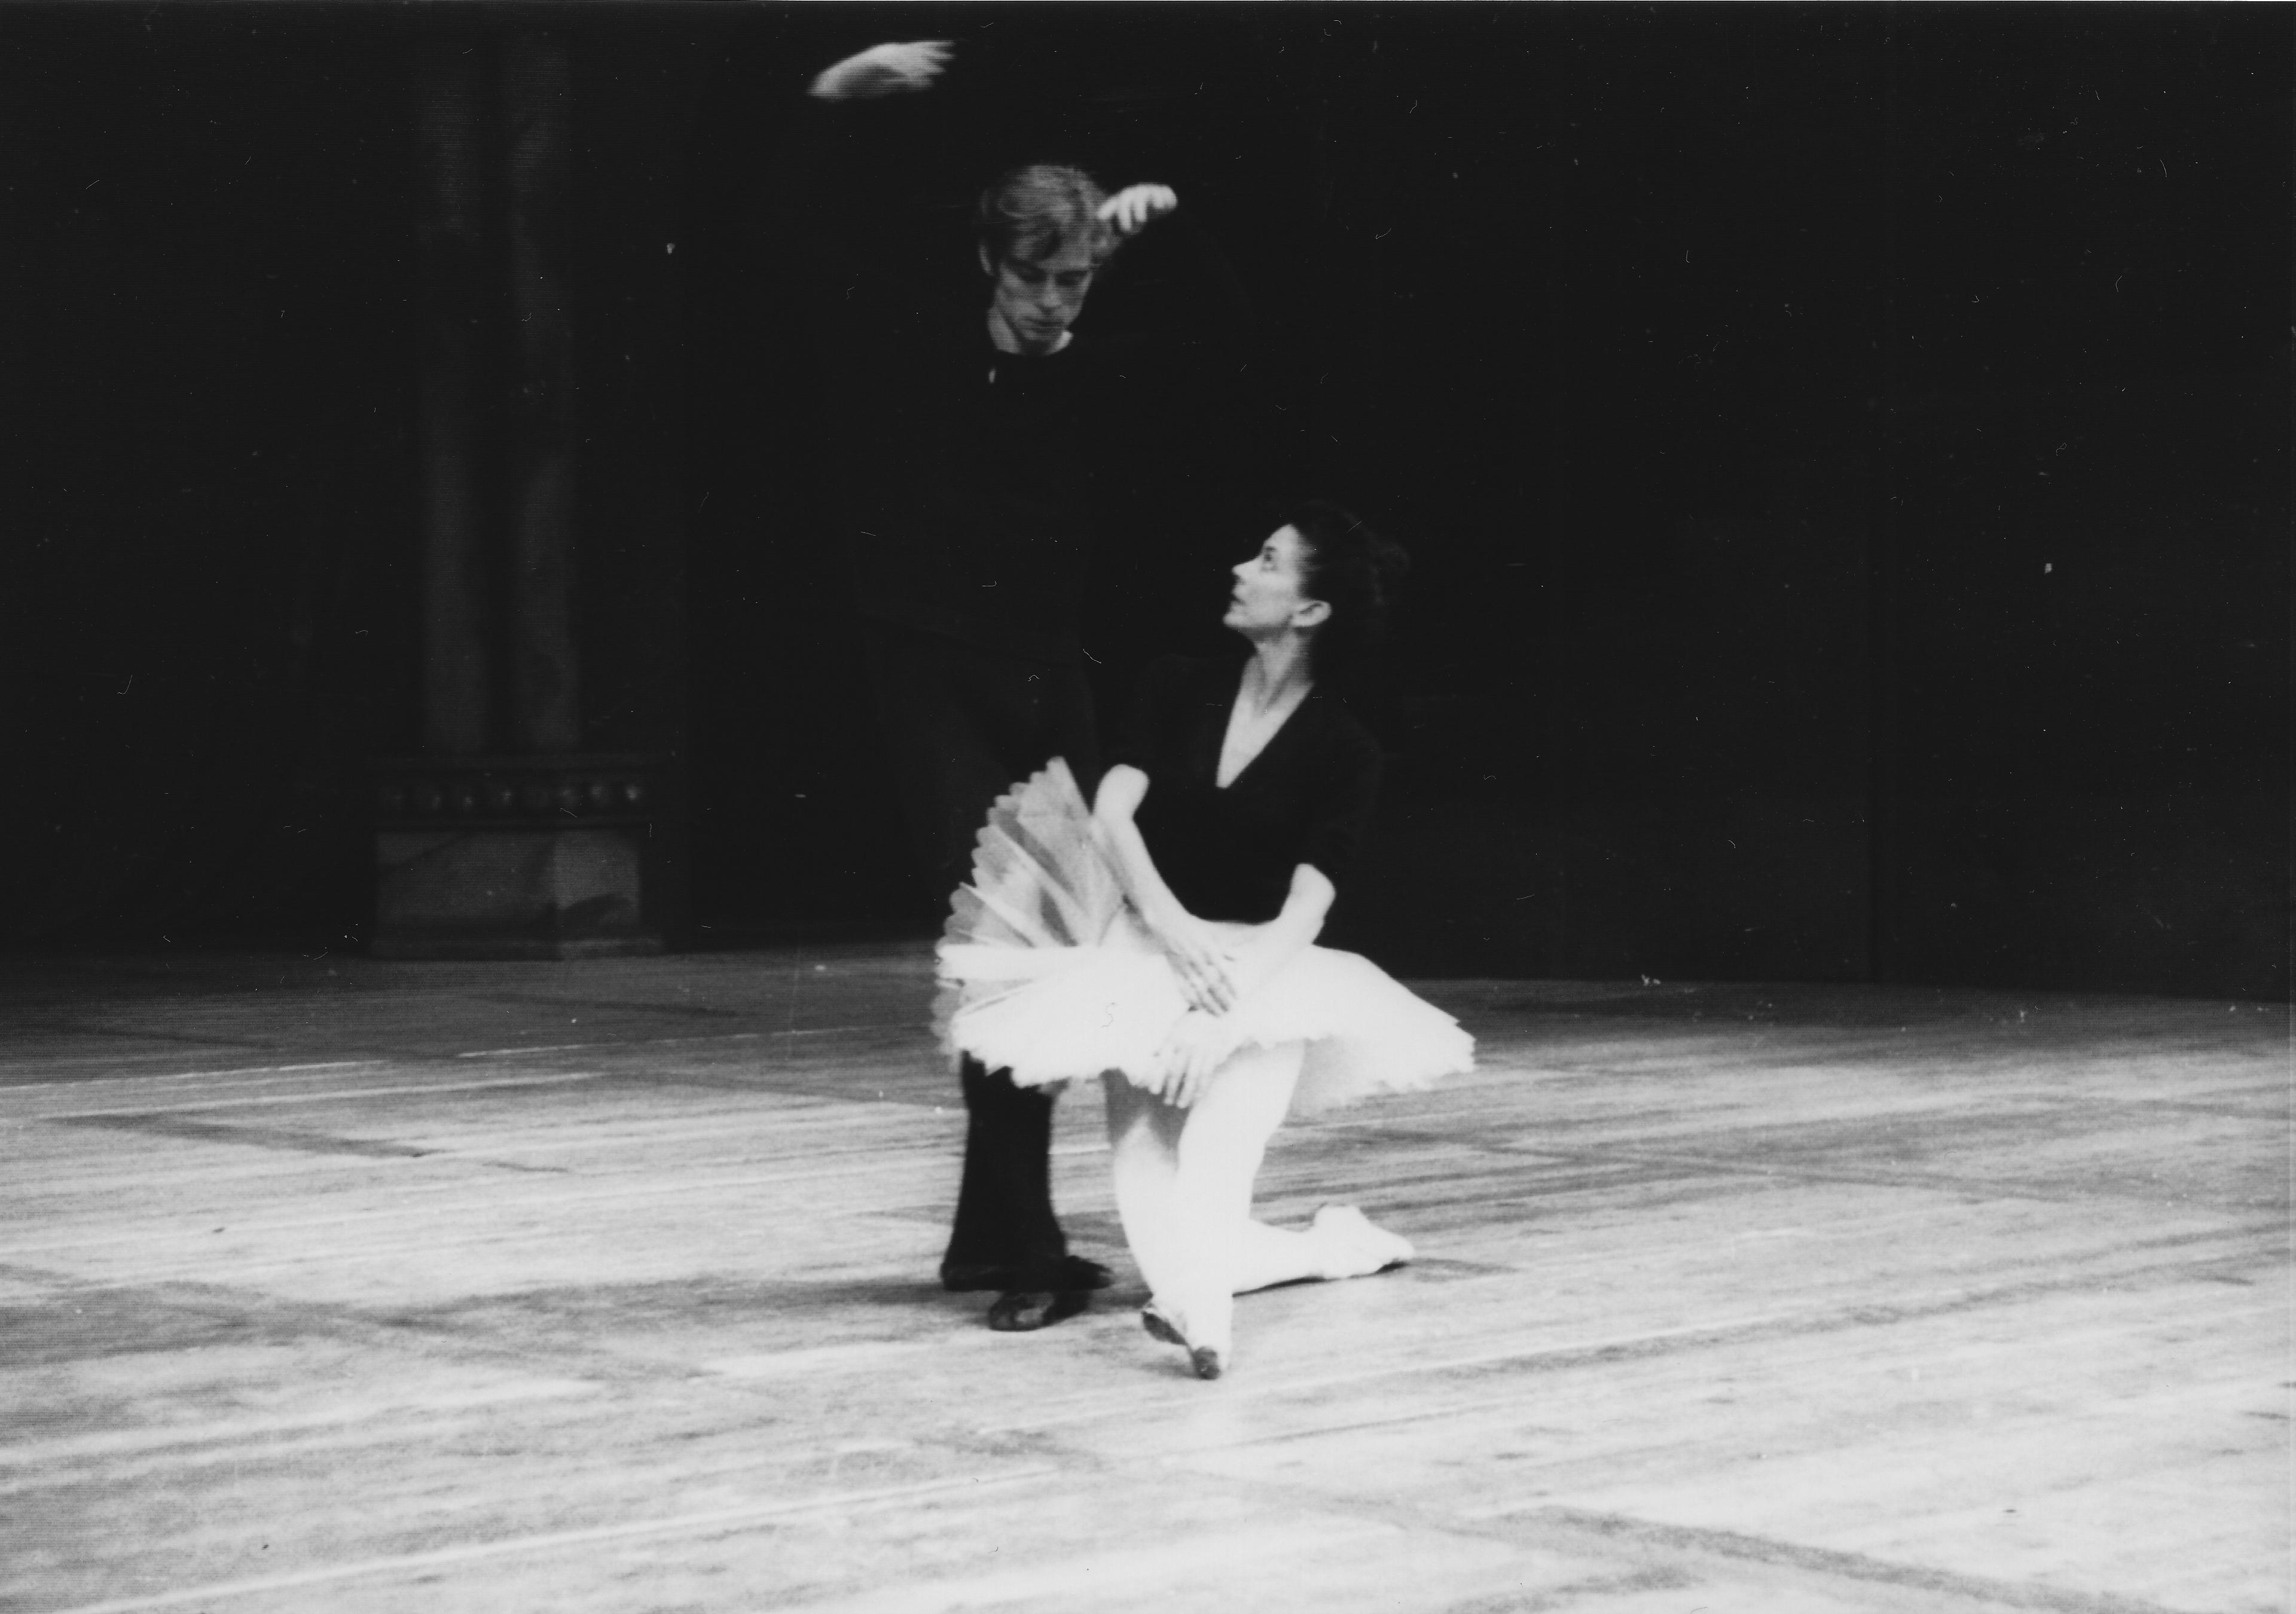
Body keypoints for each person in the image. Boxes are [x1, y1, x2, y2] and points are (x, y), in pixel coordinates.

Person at [789, 39, 1245, 1332]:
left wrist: (1167, 231)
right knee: (1010, 946)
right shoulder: (910, 345)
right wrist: (836, 102)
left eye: (1078, 279)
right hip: (930, 671)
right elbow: (816, 234)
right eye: (1039, 279)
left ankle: (995, 1235)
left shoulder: (1088, 364)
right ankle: (1020, 1243)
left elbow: (1230, 346)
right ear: (990, 263)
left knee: (1050, 956)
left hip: (1048, 683)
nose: (1060, 304)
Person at [937, 503, 1476, 1377]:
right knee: (1152, 1175)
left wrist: (1223, 1003)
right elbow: (1113, 814)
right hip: (1144, 946)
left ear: (1310, 611)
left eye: (1268, 561)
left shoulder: (1346, 747)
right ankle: (1329, 1247)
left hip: (1261, 968)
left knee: (1218, 1156)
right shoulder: (1177, 683)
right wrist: (1170, 927)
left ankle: (1207, 1327)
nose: (1241, 570)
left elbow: (1307, 908)